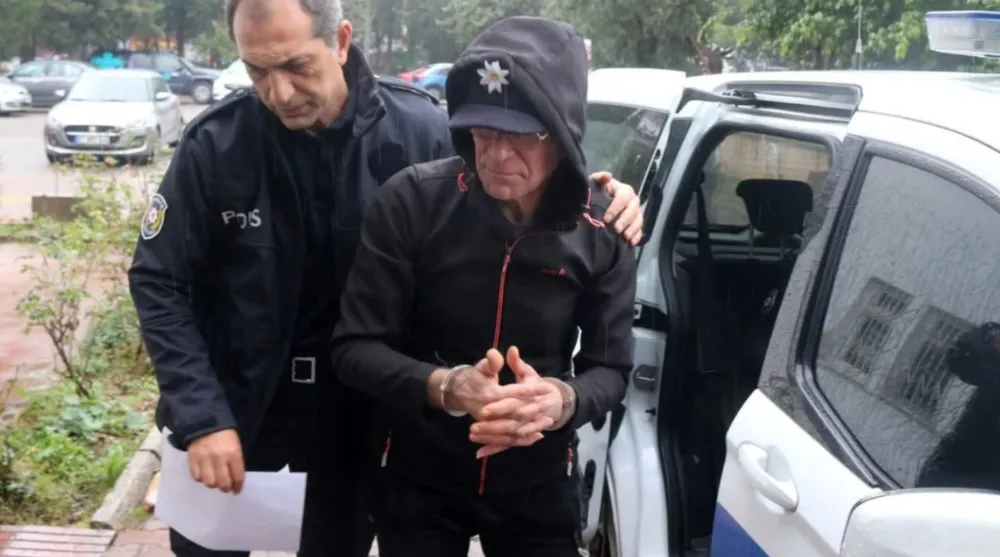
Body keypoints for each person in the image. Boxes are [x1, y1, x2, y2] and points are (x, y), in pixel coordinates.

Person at [128, 0, 644, 555]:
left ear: (340, 41)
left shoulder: (419, 129)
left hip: (354, 419)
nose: (278, 92)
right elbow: (160, 281)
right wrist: (202, 416)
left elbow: (505, 175)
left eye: (296, 66)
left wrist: (593, 194)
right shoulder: (215, 145)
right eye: (257, 71)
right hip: (236, 409)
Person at [331, 16, 636, 557]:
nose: (496, 156)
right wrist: (447, 387)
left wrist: (560, 401)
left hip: (538, 476)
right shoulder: (413, 202)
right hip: (420, 473)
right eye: (482, 132)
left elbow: (610, 369)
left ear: (563, 133)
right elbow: (354, 348)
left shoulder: (601, 228)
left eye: (521, 137)